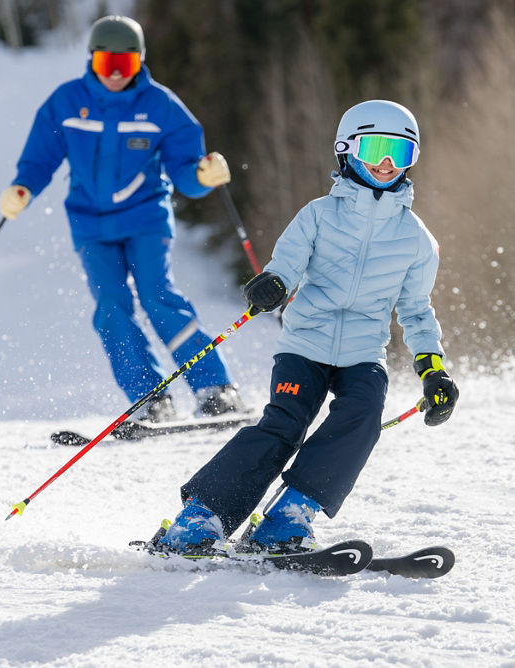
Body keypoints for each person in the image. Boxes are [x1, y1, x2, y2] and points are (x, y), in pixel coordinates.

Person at [153, 100, 459, 554]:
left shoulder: (416, 240)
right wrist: (273, 285)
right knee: (284, 425)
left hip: (362, 353)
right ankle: (200, 516)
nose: (386, 163)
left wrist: (433, 370)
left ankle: (290, 514)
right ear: (346, 150)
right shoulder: (318, 215)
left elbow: (416, 311)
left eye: (401, 153)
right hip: (305, 345)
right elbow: (287, 266)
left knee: (363, 415)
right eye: (375, 147)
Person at [0, 15, 243, 422]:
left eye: (124, 66)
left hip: (145, 218)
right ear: (92, 60)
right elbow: (41, 158)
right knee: (111, 306)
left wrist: (202, 176)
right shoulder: (66, 102)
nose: (113, 75)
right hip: (91, 225)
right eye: (105, 65)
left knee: (156, 296)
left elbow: (185, 167)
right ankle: (150, 398)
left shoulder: (160, 106)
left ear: (139, 63)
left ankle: (215, 388)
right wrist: (23, 188)